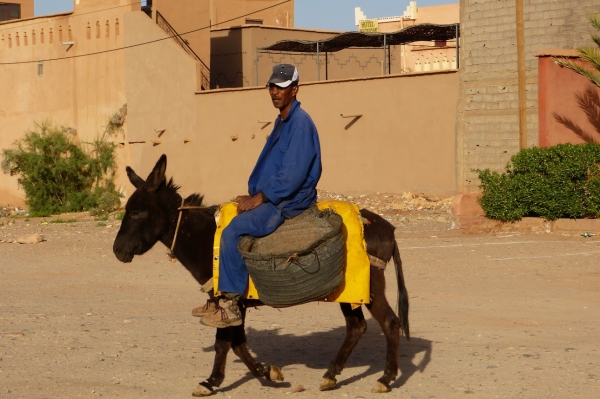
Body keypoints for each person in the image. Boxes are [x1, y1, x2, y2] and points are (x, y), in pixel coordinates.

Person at [200, 64, 322, 328]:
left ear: (295, 89)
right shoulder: (283, 120)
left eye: (281, 86)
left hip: (287, 201)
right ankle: (218, 292)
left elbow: (292, 175)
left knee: (233, 231)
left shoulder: (300, 124)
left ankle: (231, 304)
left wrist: (261, 198)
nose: (275, 92)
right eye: (272, 86)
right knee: (222, 217)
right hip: (273, 196)